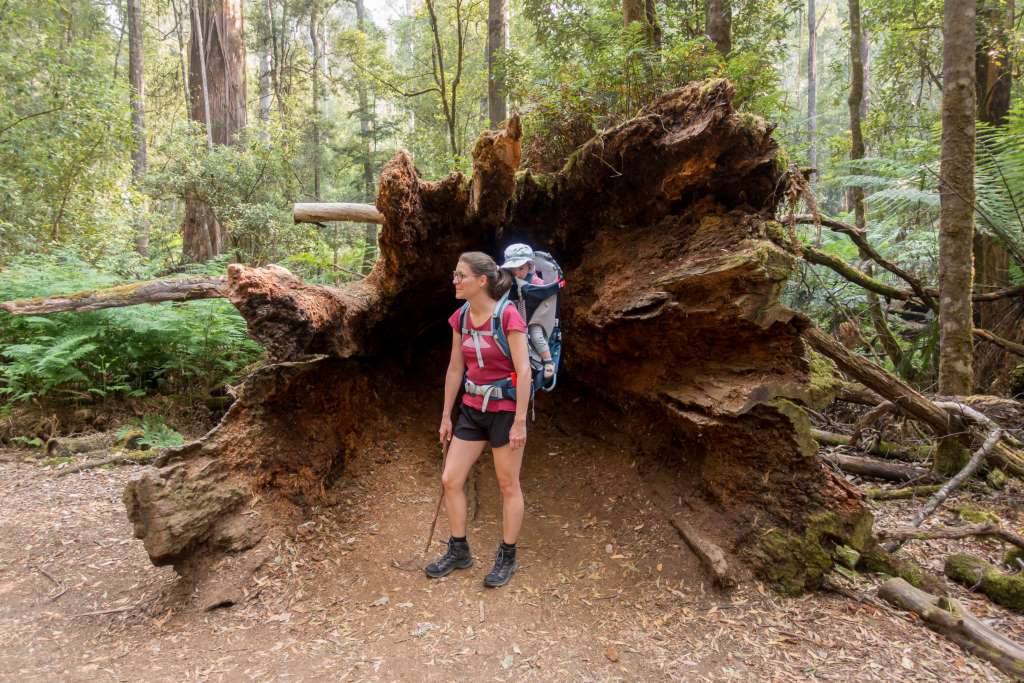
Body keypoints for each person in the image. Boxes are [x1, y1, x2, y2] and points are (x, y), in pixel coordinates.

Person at [425, 252, 532, 587]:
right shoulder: (461, 318)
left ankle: (507, 555)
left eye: (461, 276)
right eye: (455, 275)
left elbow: (524, 369)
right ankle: (459, 550)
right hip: (472, 407)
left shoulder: (508, 316)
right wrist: (446, 415)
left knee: (507, 484)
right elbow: (456, 367)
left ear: (481, 281)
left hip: (504, 410)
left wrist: (519, 421)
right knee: (451, 479)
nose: (455, 281)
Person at [500, 243, 555, 381]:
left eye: (520, 268)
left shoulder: (535, 281)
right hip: (516, 316)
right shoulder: (509, 282)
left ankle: (548, 361)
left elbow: (546, 290)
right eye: (512, 269)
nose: (517, 273)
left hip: (535, 316)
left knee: (535, 335)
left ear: (530, 266)